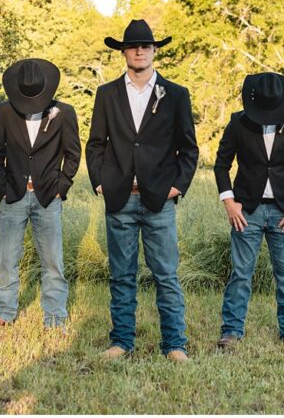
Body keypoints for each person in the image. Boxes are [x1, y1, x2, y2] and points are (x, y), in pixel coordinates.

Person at [85, 19, 199, 360]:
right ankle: (121, 342)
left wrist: (176, 187)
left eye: (145, 46)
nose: (139, 50)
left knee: (166, 274)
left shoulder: (176, 94)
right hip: (120, 198)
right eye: (133, 46)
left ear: (153, 51)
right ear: (123, 52)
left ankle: (175, 344)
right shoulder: (107, 94)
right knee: (121, 275)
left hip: (159, 200)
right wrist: (101, 182)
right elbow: (95, 144)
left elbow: (189, 149)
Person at [213, 72, 284, 350]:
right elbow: (221, 164)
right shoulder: (238, 122)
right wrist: (229, 202)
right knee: (241, 273)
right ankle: (232, 331)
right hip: (246, 210)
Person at [0, 58, 81, 327]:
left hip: (49, 197)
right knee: (7, 257)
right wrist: (2, 189)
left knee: (53, 261)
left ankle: (54, 316)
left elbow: (73, 155)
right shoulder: (4, 112)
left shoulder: (64, 112)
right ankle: (3, 312)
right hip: (13, 196)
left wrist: (61, 188)